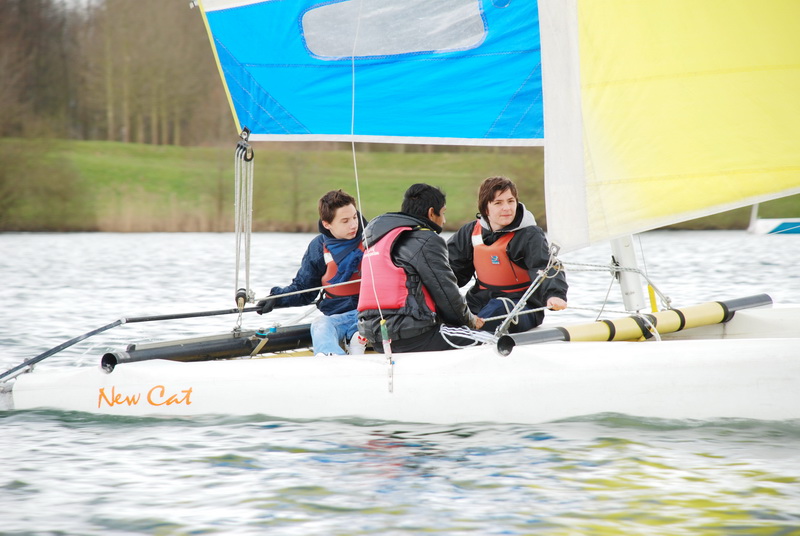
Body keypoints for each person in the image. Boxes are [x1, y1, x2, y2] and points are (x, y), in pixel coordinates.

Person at [357, 183, 484, 353]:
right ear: (431, 213)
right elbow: (446, 295)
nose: (444, 220)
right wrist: (470, 320)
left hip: (379, 339)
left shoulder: (375, 240)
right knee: (490, 341)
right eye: (443, 213)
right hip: (414, 336)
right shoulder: (426, 239)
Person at [447, 176, 568, 334]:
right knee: (447, 312)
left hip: (520, 305)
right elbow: (449, 270)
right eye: (498, 203)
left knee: (498, 308)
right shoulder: (470, 232)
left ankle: (469, 335)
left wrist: (554, 294)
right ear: (485, 208)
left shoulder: (529, 235)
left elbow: (545, 266)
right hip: (479, 301)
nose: (507, 208)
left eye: (511, 201)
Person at [257, 190, 367, 356]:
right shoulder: (318, 248)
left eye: (354, 217)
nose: (353, 225)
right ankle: (332, 357)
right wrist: (276, 299)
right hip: (337, 317)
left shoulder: (373, 238)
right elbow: (304, 290)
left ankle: (357, 338)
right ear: (327, 224)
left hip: (371, 314)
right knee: (320, 324)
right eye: (345, 221)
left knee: (360, 327)